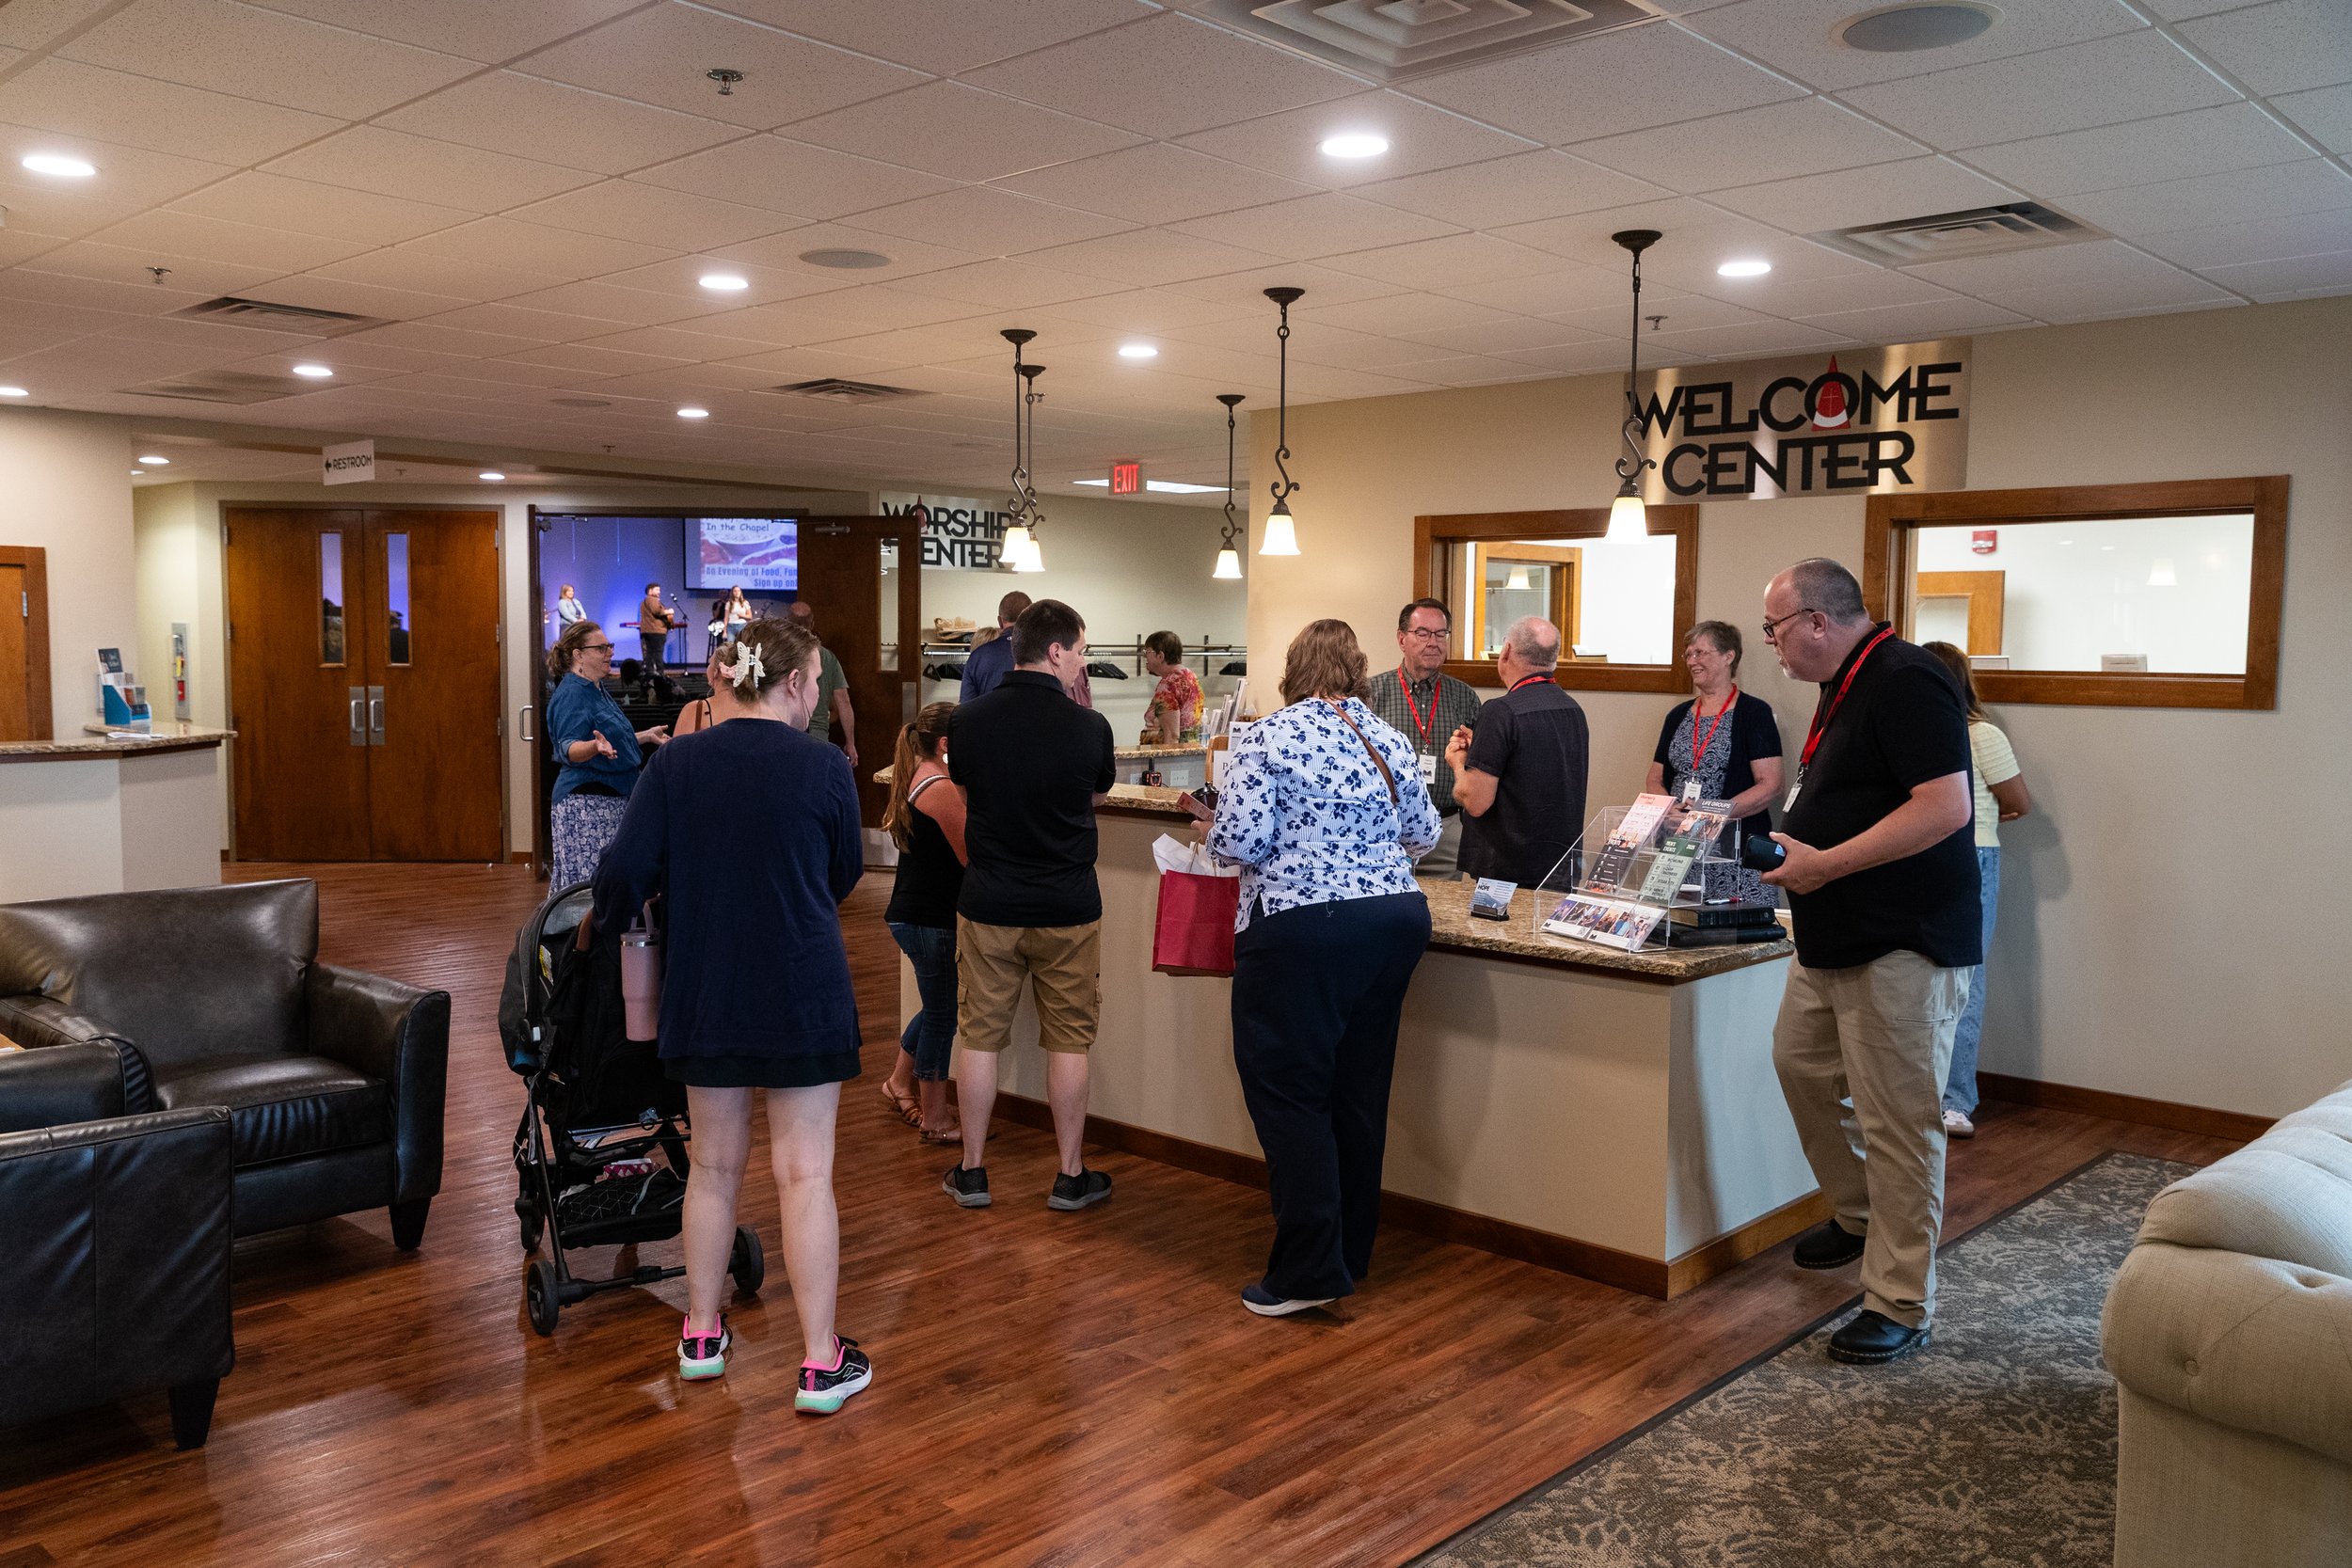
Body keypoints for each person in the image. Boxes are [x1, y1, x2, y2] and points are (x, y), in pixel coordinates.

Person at [590, 617, 872, 1412]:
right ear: (789, 684)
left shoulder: (676, 764)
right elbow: (842, 873)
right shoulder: (823, 768)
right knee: (805, 1172)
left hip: (705, 988)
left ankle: (703, 1333)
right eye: (815, 682)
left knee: (713, 1168)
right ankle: (821, 1363)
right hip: (803, 991)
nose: (817, 696)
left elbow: (624, 876)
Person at [1758, 558, 1979, 1367]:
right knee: (1799, 1067)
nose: (1773, 645)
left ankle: (1899, 1300)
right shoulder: (1844, 682)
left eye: (1776, 629)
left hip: (1902, 939)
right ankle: (1858, 1213)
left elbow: (1944, 807)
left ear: (1818, 621)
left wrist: (1827, 863)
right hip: (1832, 932)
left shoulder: (1906, 677)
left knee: (1900, 1124)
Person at [1206, 619, 1438, 1317]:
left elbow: (1244, 838)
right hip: (1395, 920)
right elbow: (1425, 830)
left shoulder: (1267, 737)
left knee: (1291, 1093)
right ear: (1359, 669)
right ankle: (1349, 1254)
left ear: (1294, 670)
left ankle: (1309, 1269)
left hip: (1303, 926)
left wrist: (1210, 829)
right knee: (1358, 1092)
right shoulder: (1389, 735)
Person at [942, 598, 1116, 1212]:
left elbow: (966, 791)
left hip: (989, 900)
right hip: (1068, 903)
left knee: (980, 1038)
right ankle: (1069, 1175)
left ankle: (972, 1170)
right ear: (1056, 651)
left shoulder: (968, 721)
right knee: (1069, 1040)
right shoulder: (1090, 727)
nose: (1083, 664)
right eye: (1082, 652)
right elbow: (1094, 794)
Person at [1922, 641, 2032, 1141]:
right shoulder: (1920, 731)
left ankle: (1954, 1098)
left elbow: (2018, 801)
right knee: (1925, 976)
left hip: (1970, 854)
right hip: (1927, 854)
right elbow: (2013, 803)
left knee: (1967, 977)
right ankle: (1934, 1098)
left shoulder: (1982, 735)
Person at [1443, 616, 1588, 889]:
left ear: (1506, 651)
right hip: (1559, 871)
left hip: (1505, 877)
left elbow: (1475, 801)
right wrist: (1485, 748)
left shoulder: (1501, 711)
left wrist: (1459, 762)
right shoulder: (1573, 710)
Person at [1646, 621, 1785, 901]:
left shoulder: (1754, 713)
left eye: (1700, 653)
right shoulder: (1678, 715)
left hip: (1734, 853)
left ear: (1728, 656)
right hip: (1679, 846)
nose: (1692, 661)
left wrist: (1709, 815)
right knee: (1678, 932)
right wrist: (1669, 812)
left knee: (1734, 938)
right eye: (1688, 654)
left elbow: (1770, 786)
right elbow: (1655, 778)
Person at [879, 702, 966, 1145]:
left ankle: (899, 1082)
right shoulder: (942, 788)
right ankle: (934, 1116)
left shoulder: (917, 775)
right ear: (947, 744)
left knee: (937, 1006)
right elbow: (971, 856)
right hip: (929, 918)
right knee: (942, 1016)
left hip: (914, 914)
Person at [545, 619, 667, 889]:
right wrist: (593, 747)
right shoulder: (573, 693)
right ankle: (579, 934)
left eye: (609, 646)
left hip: (609, 801)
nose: (610, 652)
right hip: (586, 806)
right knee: (587, 893)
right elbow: (569, 748)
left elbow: (609, 741)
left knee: (604, 889)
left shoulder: (596, 689)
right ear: (579, 655)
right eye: (601, 648)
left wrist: (644, 736)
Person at [1366, 598, 1482, 879]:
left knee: (1445, 918)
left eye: (1441, 634)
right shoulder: (1371, 693)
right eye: (1423, 633)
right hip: (1387, 829)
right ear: (1401, 638)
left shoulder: (1464, 697)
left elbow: (1478, 766)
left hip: (1446, 830)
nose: (1433, 642)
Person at [787, 600, 857, 769]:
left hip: (785, 732)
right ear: (812, 624)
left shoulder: (778, 656)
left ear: (786, 623)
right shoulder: (827, 657)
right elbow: (843, 702)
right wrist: (851, 743)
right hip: (817, 736)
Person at [959, 590, 1030, 701]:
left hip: (986, 717)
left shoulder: (978, 656)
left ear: (1000, 621)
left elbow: (965, 706)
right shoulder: (1045, 654)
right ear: (1031, 619)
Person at [1141, 630, 1203, 745]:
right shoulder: (1191, 677)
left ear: (1160, 656)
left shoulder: (1168, 685)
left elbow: (1171, 736)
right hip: (1191, 751)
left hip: (1168, 758)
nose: (1145, 656)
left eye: (1148, 651)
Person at [637, 582, 680, 670]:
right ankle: (660, 675)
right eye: (657, 590)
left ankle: (650, 674)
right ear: (650, 591)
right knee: (658, 653)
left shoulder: (643, 602)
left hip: (647, 631)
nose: (659, 592)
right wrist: (669, 611)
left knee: (649, 654)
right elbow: (657, 611)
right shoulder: (652, 600)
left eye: (659, 590)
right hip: (656, 631)